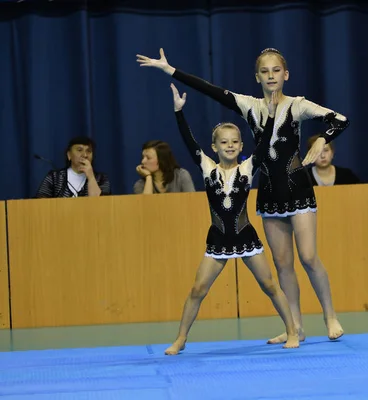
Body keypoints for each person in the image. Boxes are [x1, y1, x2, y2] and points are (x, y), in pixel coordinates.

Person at [137, 47, 346, 344]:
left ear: (285, 75)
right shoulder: (249, 105)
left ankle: (330, 316)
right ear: (257, 77)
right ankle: (295, 326)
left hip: (298, 189)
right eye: (265, 71)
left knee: (309, 257)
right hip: (269, 193)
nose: (271, 76)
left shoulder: (298, 106)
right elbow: (211, 91)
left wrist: (323, 137)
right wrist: (172, 71)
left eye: (276, 71)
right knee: (283, 264)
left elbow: (340, 119)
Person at [164, 83, 299, 355]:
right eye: (223, 142)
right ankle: (180, 339)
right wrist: (179, 112)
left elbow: (264, 145)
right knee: (197, 289)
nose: (229, 146)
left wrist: (271, 115)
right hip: (218, 239)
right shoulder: (207, 168)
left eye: (234, 142)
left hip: (245, 236)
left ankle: (294, 330)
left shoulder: (247, 168)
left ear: (240, 146)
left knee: (270, 285)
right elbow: (189, 142)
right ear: (214, 147)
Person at [36, 136, 111, 198]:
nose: (85, 155)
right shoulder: (54, 177)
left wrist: (91, 177)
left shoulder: (101, 179)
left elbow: (102, 206)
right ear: (69, 155)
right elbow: (40, 204)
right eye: (79, 150)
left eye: (89, 151)